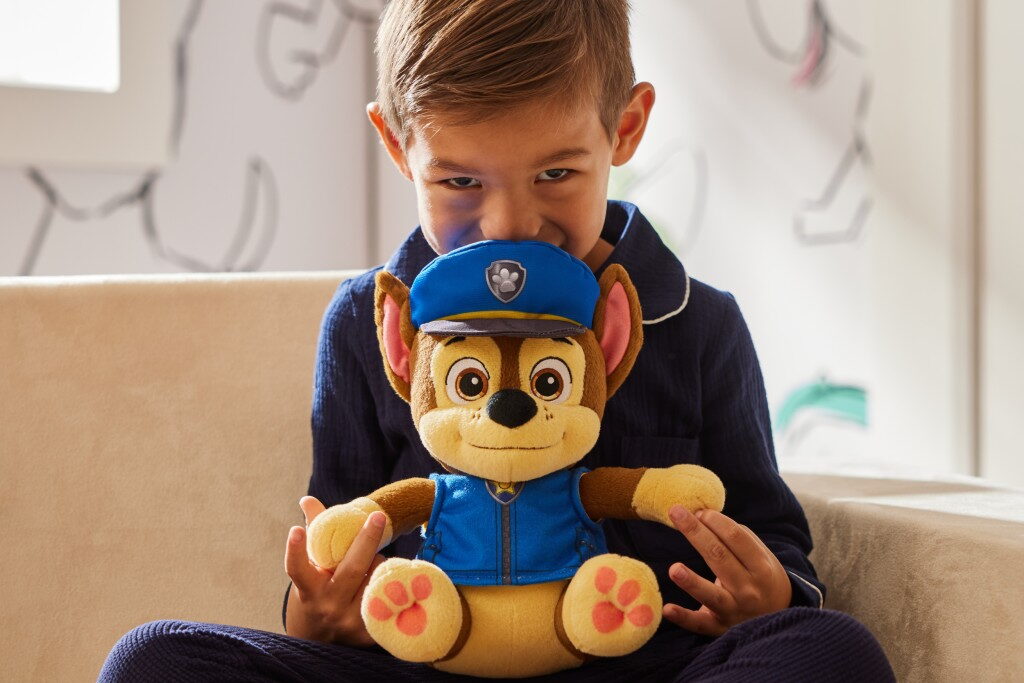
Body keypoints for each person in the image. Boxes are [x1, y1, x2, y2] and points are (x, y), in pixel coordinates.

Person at [99, 1, 895, 680]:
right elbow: (338, 533)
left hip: (641, 662)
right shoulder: (365, 322)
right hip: (423, 662)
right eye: (460, 182)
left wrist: (768, 595)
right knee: (151, 660)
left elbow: (772, 530)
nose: (510, 225)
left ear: (624, 128)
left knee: (833, 650)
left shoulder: (696, 322)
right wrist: (319, 613)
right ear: (397, 146)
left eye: (556, 175)